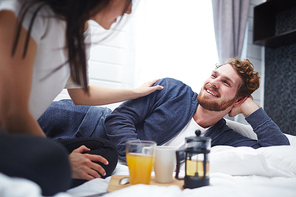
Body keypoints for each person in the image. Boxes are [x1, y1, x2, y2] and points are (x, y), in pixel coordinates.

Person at [0, 0, 162, 195]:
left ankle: (50, 167)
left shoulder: (80, 31)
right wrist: (60, 159)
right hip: (6, 130)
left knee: (105, 154)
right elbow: (13, 114)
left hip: (16, 134)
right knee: (57, 161)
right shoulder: (29, 11)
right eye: (127, 2)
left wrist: (134, 92)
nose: (128, 11)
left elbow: (80, 94)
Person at [39, 58, 290, 162]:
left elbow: (279, 152)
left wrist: (250, 107)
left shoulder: (223, 138)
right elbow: (119, 118)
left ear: (238, 100)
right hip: (81, 120)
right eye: (214, 75)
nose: (213, 82)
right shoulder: (173, 89)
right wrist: (142, 158)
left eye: (226, 83)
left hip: (95, 155)